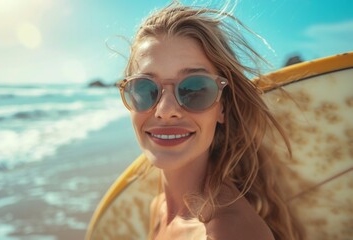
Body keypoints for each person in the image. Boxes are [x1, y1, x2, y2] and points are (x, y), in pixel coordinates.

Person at [116, 2, 305, 240]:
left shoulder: (231, 232)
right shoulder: (159, 207)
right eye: (144, 88)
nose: (165, 110)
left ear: (222, 107)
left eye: (194, 89)